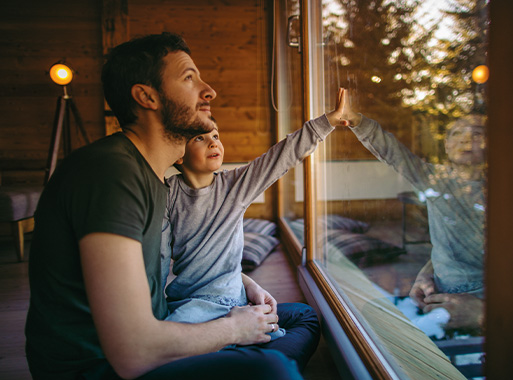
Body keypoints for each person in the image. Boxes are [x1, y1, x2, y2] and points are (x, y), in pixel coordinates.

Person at [25, 32, 302, 380]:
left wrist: (244, 285)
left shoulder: (153, 180)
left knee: (298, 315)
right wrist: (233, 330)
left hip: (156, 327)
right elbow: (133, 353)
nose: (209, 91)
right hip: (102, 368)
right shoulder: (110, 174)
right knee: (274, 370)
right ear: (146, 97)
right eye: (189, 78)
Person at [161, 88, 351, 370]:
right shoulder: (167, 196)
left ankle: (247, 361)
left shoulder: (235, 185)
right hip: (192, 308)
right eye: (200, 138)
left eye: (215, 135)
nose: (213, 143)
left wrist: (328, 121)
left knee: (305, 315)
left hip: (236, 302)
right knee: (166, 349)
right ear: (179, 154)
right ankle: (250, 362)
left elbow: (282, 155)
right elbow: (158, 262)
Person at [343, 107, 486, 332]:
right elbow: (394, 153)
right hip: (438, 296)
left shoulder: (505, 194)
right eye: (457, 134)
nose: (465, 140)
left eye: (476, 134)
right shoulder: (435, 179)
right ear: (447, 146)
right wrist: (357, 121)